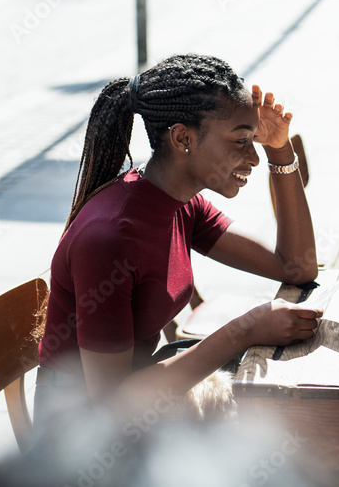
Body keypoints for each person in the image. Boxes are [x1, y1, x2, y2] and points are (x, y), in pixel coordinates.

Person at [33, 53, 321, 429]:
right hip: (81, 441)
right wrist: (245, 329)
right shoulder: (110, 238)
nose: (252, 156)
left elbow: (295, 267)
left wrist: (280, 149)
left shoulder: (181, 203)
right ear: (183, 138)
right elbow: (114, 404)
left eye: (254, 141)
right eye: (240, 141)